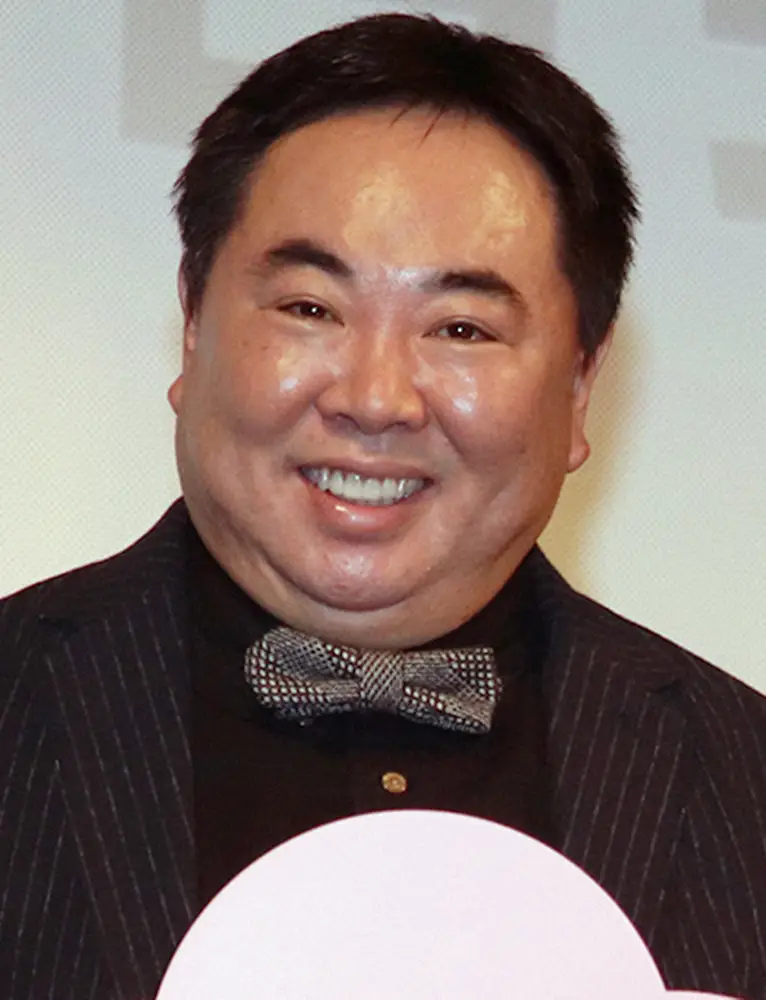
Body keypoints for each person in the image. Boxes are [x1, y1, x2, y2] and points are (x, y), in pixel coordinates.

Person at [1, 13, 764, 1000]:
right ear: (192, 323)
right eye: (310, 309)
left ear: (580, 386)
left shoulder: (743, 784)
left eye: (461, 328)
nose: (374, 398)